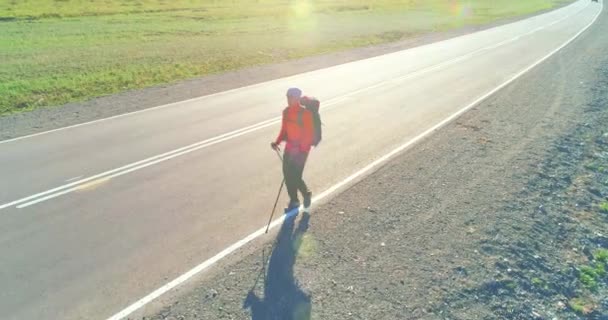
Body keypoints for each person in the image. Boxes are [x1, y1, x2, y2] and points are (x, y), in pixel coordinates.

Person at [271, 88, 314, 212]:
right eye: (288, 97)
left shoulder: (305, 114)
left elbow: (309, 135)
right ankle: (294, 200)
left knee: (295, 176)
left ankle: (306, 193)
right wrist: (277, 142)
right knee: (287, 175)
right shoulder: (286, 112)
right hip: (289, 150)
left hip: (301, 151)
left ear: (297, 98)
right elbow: (284, 130)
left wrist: (301, 149)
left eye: (291, 97)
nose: (288, 99)